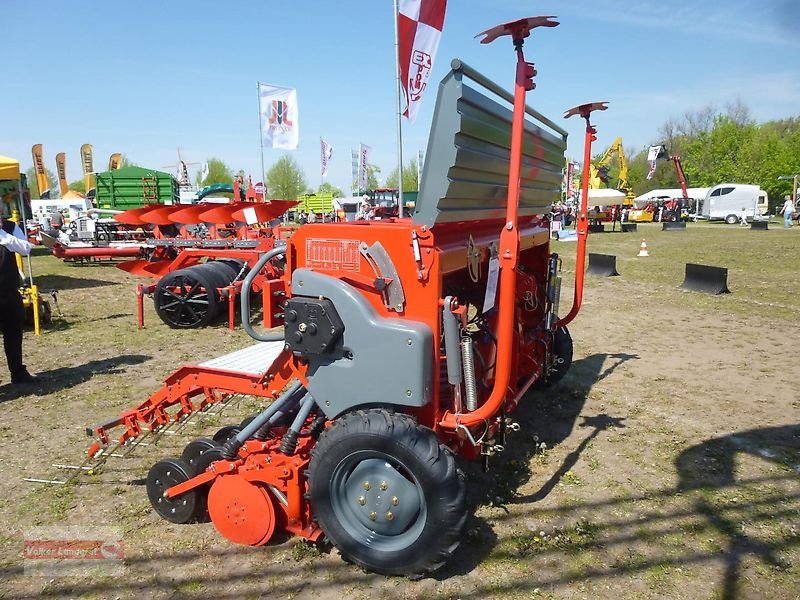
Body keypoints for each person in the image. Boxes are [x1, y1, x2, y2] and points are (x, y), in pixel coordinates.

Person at [0, 214, 37, 384]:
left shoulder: (10, 227)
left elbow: (25, 248)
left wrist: (3, 236)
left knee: (14, 332)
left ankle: (17, 372)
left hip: (8, 289)